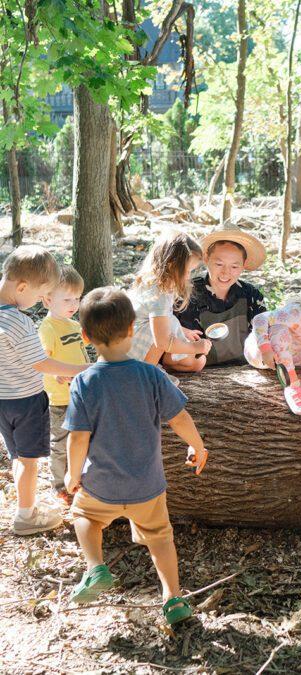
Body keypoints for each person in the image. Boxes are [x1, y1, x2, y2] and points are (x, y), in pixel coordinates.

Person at [64, 287, 208, 625]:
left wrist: (73, 474)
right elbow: (179, 418)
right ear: (132, 329)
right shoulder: (151, 374)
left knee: (84, 517)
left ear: (85, 336)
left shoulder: (84, 382)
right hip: (148, 485)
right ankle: (172, 597)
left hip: (101, 486)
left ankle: (96, 567)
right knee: (160, 539)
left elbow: (77, 437)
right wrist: (197, 447)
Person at [0, 246, 89, 535]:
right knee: (29, 460)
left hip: (3, 400)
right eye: (39, 296)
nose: (39, 302)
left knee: (18, 456)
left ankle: (25, 505)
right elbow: (41, 362)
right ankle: (26, 516)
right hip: (26, 401)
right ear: (22, 286)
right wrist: (81, 370)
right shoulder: (19, 321)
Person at [176, 227, 267, 366]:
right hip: (198, 373)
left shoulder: (252, 295)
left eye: (234, 267)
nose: (225, 273)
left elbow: (264, 335)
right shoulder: (186, 294)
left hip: (246, 370)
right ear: (206, 259)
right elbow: (175, 349)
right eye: (219, 264)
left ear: (244, 265)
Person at [127, 232, 212, 379]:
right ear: (172, 264)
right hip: (131, 348)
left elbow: (160, 317)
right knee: (195, 358)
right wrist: (195, 347)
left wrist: (181, 330)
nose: (187, 276)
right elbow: (161, 341)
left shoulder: (154, 282)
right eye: (187, 271)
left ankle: (151, 369)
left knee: (197, 362)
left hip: (125, 343)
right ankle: (146, 375)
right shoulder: (159, 293)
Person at [38, 265, 89, 505]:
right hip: (59, 398)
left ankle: (77, 478)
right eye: (67, 299)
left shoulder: (74, 325)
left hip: (80, 395)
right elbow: (42, 363)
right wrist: (58, 376)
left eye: (77, 298)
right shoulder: (47, 328)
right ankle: (60, 485)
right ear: (48, 299)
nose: (73, 304)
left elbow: (80, 354)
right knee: (60, 442)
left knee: (81, 438)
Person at [244, 292, 301, 416]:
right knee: (280, 330)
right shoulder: (298, 314)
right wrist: (265, 350)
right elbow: (260, 318)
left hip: (289, 354)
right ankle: (293, 385)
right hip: (260, 353)